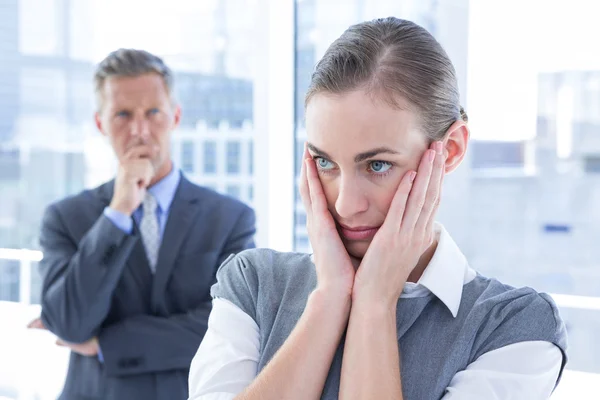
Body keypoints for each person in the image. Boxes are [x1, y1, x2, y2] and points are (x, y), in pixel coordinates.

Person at [187, 17, 567, 400]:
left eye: (377, 165)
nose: (345, 204)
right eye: (325, 163)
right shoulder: (254, 284)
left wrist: (374, 304)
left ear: (449, 151)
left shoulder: (513, 328)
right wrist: (330, 297)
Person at [30, 49, 256, 400]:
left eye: (153, 113)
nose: (139, 130)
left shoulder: (230, 219)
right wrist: (117, 213)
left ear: (175, 117)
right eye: (122, 114)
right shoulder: (65, 218)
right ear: (101, 124)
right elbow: (70, 323)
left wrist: (108, 344)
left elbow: (230, 329)